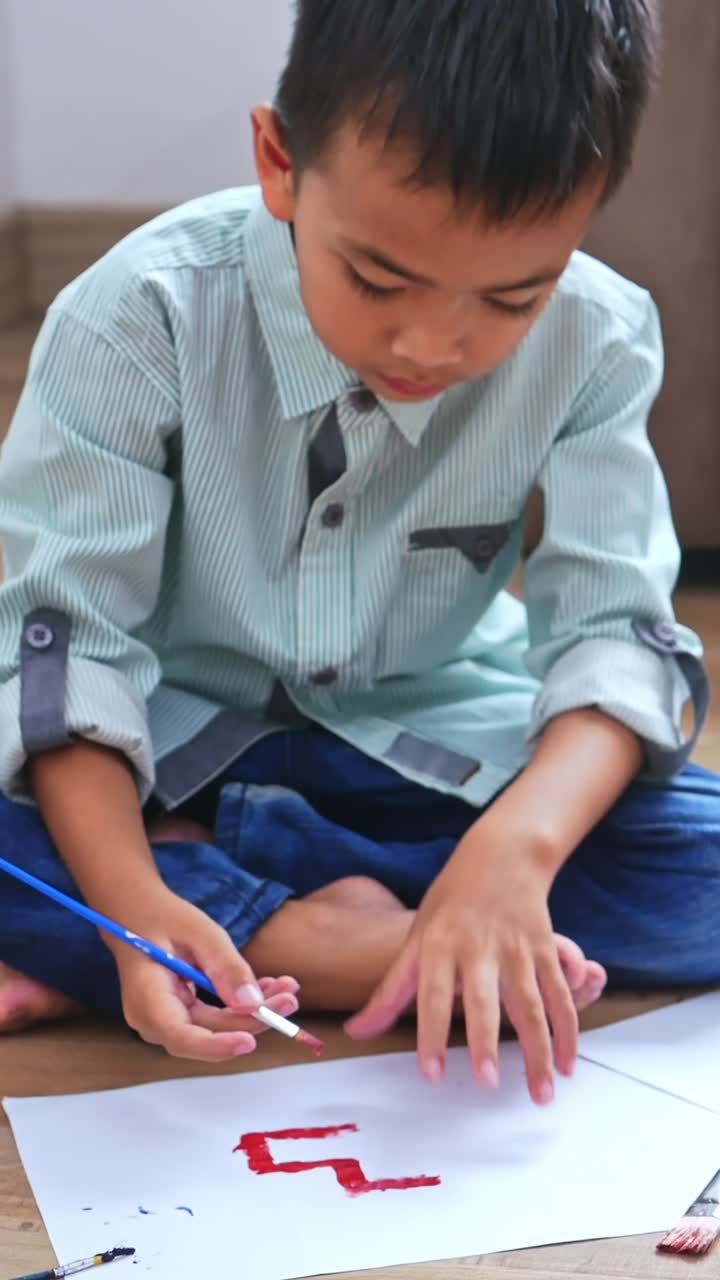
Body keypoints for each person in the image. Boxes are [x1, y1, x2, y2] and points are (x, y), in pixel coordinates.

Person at [0, 0, 717, 1105]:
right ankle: (282, 928)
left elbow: (616, 637)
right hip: (163, 746)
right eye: (380, 280)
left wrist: (515, 855)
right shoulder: (137, 316)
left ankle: (256, 917)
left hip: (431, 748)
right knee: (44, 824)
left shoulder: (598, 336)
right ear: (281, 161)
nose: (433, 345)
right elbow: (69, 652)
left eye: (513, 296)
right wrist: (130, 897)